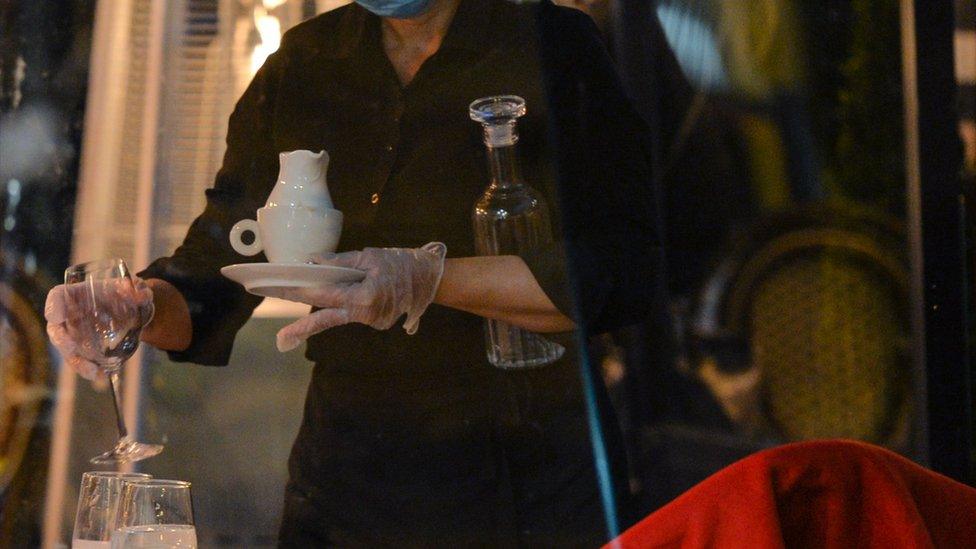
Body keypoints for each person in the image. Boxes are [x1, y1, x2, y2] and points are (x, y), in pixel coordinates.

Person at [46, 0, 663, 545]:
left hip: (524, 479)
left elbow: (624, 271)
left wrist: (427, 280)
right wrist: (138, 307)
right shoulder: (304, 64)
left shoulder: (553, 46)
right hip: (347, 479)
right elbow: (209, 282)